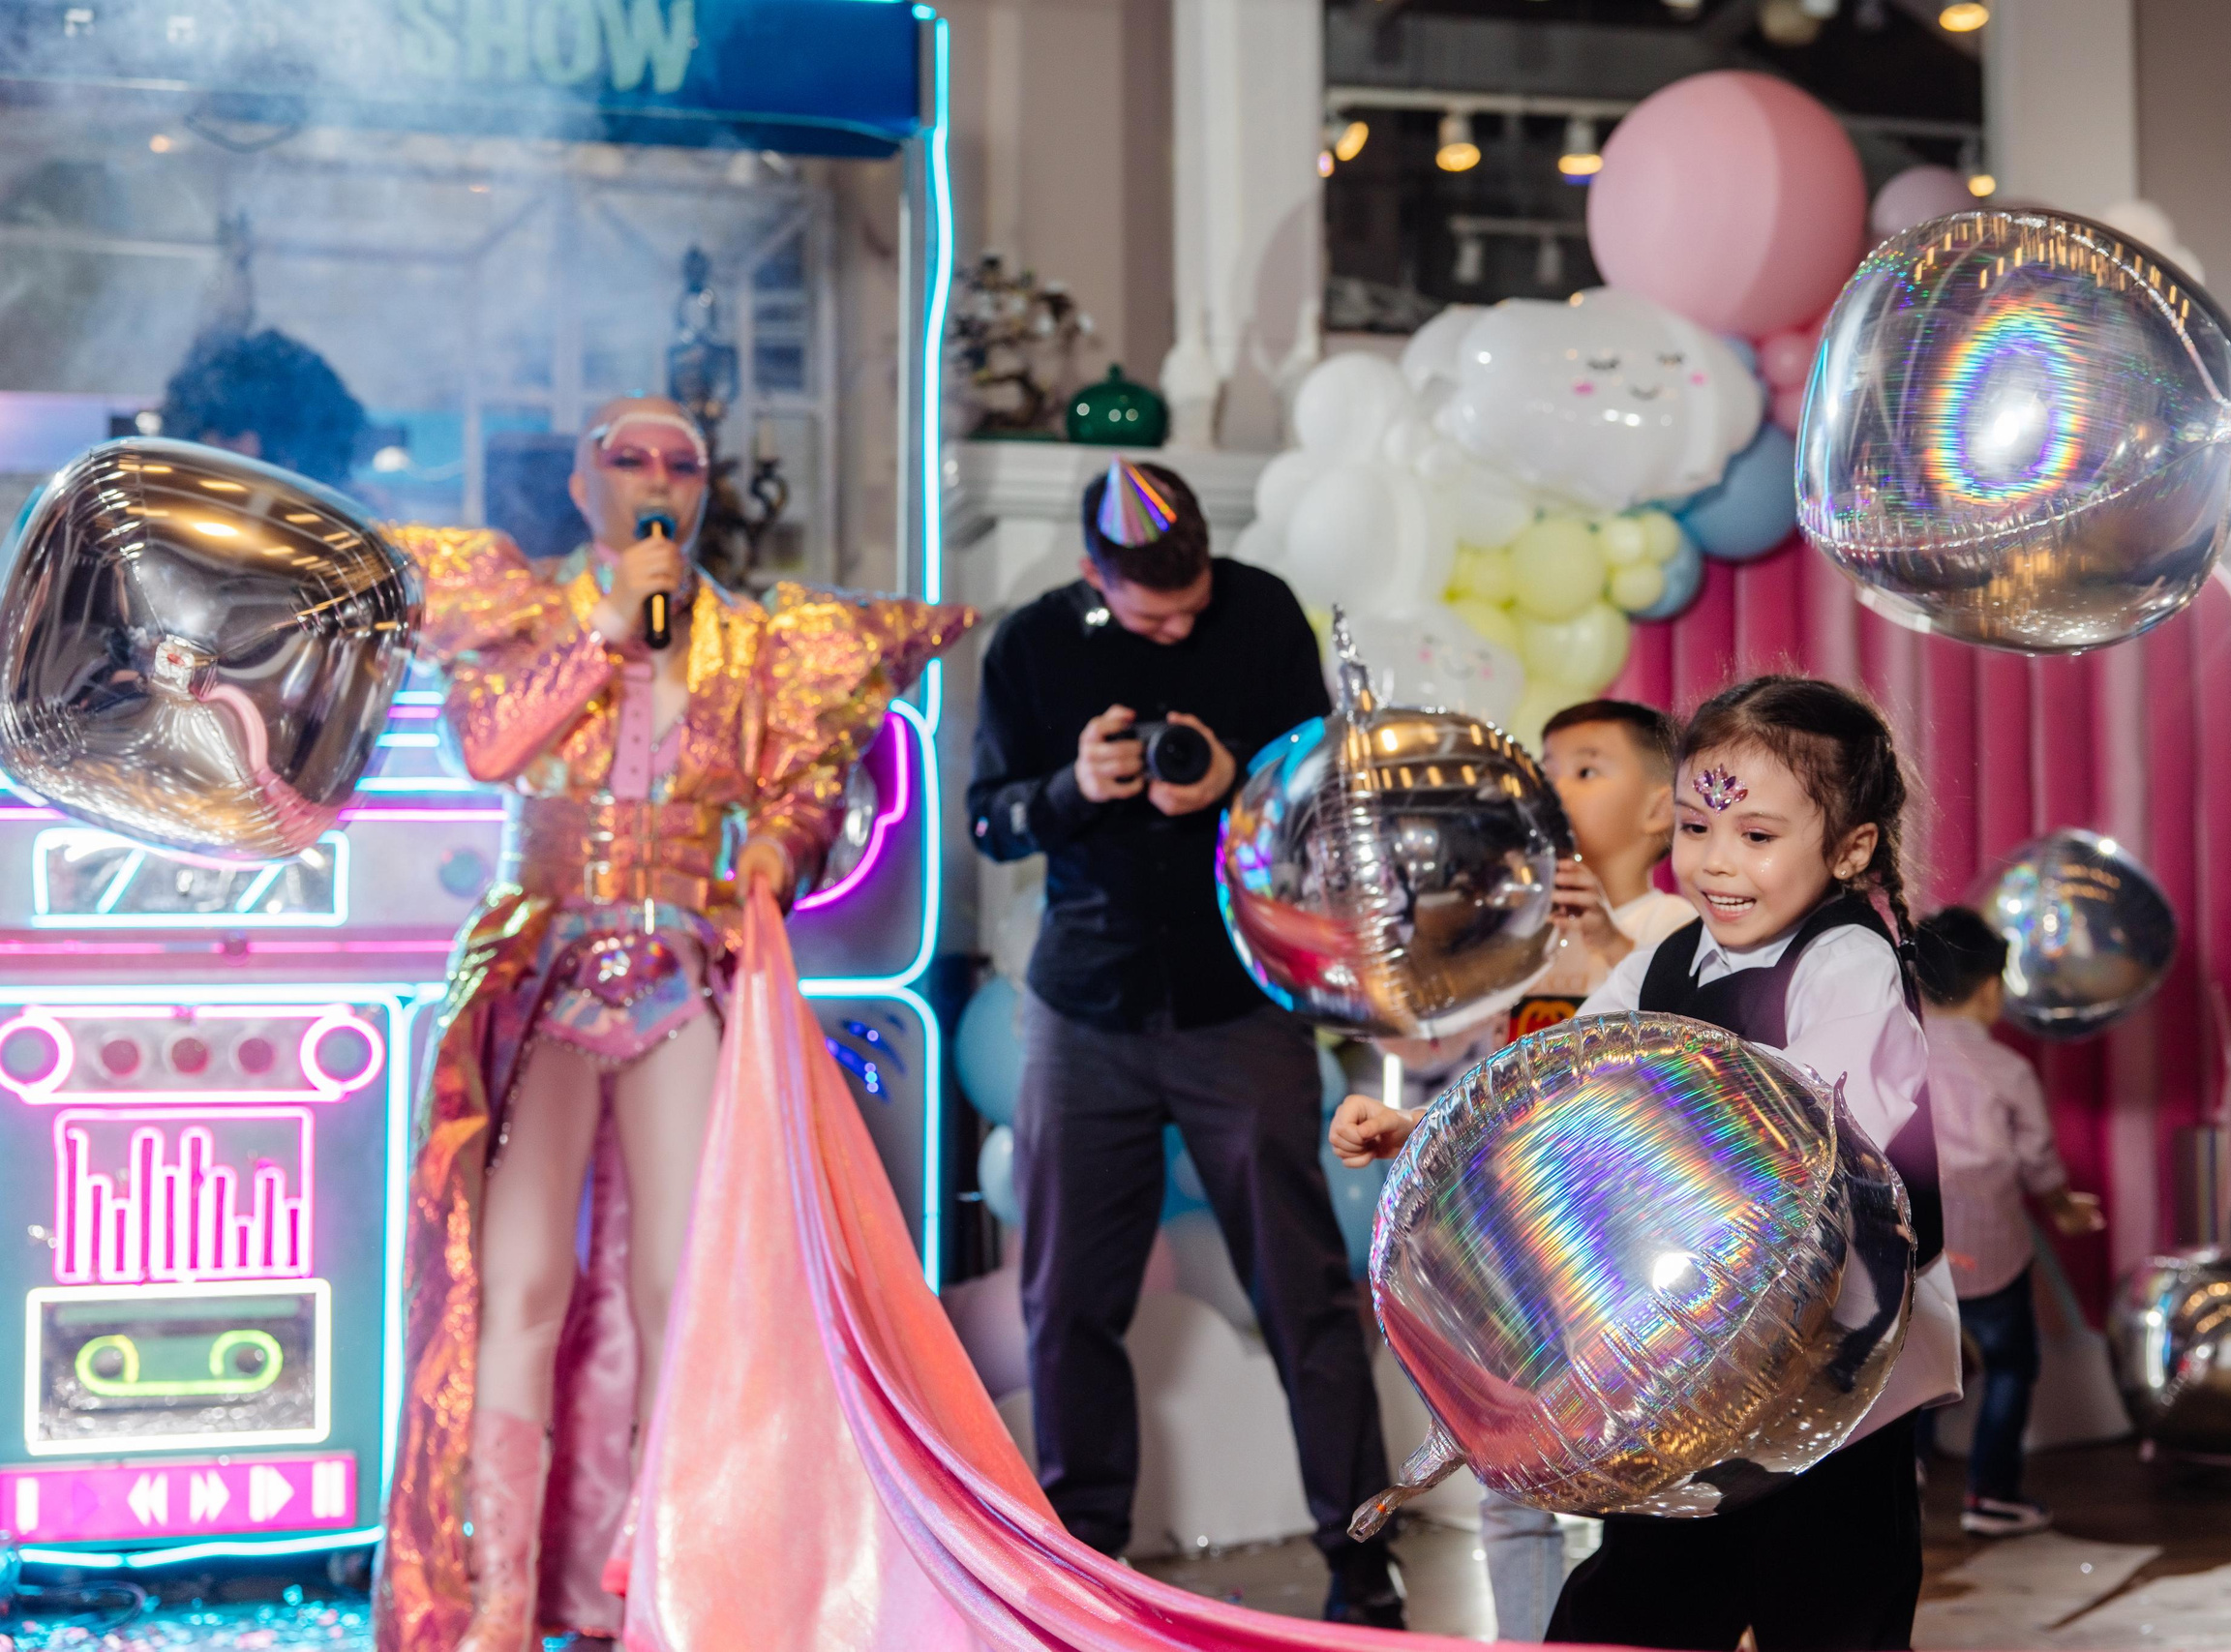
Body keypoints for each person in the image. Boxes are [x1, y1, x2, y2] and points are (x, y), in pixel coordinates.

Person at [374, 396, 975, 1652]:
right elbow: (488, 747)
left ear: (706, 488)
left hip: (677, 973)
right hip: (539, 970)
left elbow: (805, 785)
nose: (657, 477)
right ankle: (499, 1595)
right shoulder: (525, 608)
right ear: (584, 485)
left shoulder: (756, 643)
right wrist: (604, 624)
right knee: (522, 1281)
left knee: (688, 1287)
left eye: (681, 461)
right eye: (629, 459)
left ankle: (657, 1571)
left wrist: (775, 852)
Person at [1338, 675, 1961, 1651]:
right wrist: (1423, 1126)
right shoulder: (1667, 962)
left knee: (1834, 1618)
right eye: (1698, 831)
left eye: (1756, 837)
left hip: (1837, 1398)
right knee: (1626, 1617)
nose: (1717, 865)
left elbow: (1828, 1165)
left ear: (1849, 849)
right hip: (1691, 1393)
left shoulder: (1848, 961)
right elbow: (1548, 1082)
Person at [965, 458, 1404, 1627]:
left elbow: (1323, 794)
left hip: (1237, 1002)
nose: (1178, 627)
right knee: (1066, 1305)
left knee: (1307, 1295)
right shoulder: (1030, 646)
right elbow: (988, 819)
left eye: (1191, 602)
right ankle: (1082, 1565)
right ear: (1091, 579)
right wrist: (1072, 787)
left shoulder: (1258, 609)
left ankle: (1363, 1565)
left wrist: (1231, 782)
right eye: (1151, 613)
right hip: (1084, 1008)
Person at [1333, 696, 1695, 1640]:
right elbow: (1439, 1052)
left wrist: (1611, 950)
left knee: (1652, 1475)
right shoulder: (1511, 923)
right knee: (1508, 1477)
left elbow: (1683, 1064)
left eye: (1585, 768)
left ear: (1661, 809)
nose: (1551, 787)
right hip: (1511, 1242)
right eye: (1545, 770)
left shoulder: (1678, 920)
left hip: (1623, 1249)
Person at [1913, 906, 2105, 1539]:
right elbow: (2039, 1162)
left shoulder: (1898, 1055)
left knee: (1910, 1370)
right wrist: (2065, 1209)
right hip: (1991, 1248)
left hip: (1918, 1250)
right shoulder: (2008, 1070)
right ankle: (1991, 1493)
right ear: (1992, 987)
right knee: (2011, 1365)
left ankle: (1902, 1470)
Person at [158, 326, 368, 486]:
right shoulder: (159, 515)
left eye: (275, 434)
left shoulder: (343, 524)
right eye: (231, 431)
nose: (251, 449)